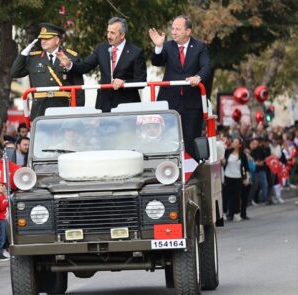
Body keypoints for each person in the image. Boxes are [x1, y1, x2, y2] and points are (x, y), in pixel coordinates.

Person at [149, 15, 210, 154]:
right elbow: (156, 62)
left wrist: (198, 77)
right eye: (173, 28)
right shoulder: (167, 46)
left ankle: (190, 174)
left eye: (178, 29)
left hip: (192, 103)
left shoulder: (200, 47)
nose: (174, 32)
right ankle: (169, 171)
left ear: (188, 31)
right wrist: (158, 46)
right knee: (167, 139)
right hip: (169, 102)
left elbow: (206, 67)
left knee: (190, 140)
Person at [58, 17, 147, 112]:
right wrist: (69, 64)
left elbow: (141, 81)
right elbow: (84, 67)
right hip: (104, 105)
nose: (108, 36)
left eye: (112, 33)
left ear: (122, 35)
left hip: (127, 105)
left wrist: (124, 83)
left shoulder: (136, 52)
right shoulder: (101, 49)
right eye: (108, 32)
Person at [11, 23, 84, 119]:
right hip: (40, 109)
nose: (43, 41)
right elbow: (15, 73)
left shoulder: (71, 57)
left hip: (64, 107)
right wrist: (24, 53)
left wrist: (77, 112)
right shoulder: (33, 58)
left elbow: (78, 88)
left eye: (47, 38)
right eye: (42, 38)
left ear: (57, 40)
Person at [222, 138, 249, 222]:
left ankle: (236, 213)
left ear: (240, 145)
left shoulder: (242, 155)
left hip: (238, 177)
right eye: (233, 141)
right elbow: (223, 162)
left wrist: (246, 177)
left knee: (236, 196)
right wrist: (223, 161)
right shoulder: (227, 152)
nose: (233, 143)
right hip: (227, 176)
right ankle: (225, 212)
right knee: (226, 196)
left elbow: (245, 167)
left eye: (236, 142)